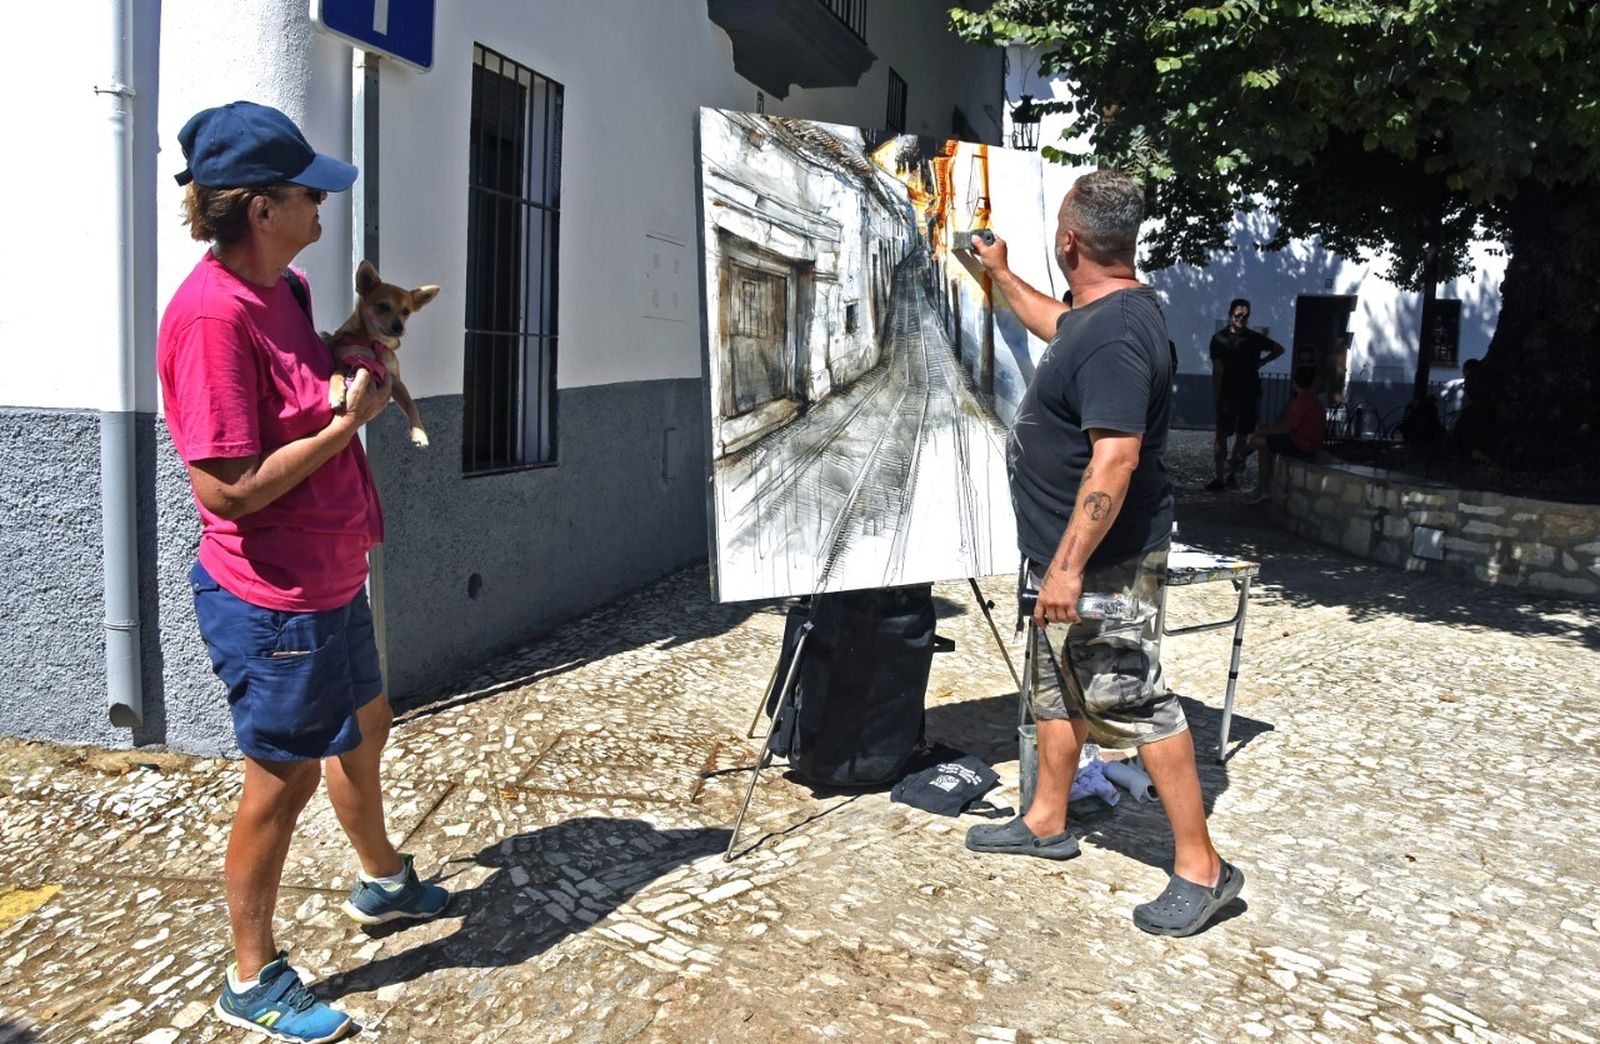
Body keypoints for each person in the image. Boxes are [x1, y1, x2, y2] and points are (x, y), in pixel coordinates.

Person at [157, 101, 448, 1042]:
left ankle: (381, 880)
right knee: (276, 783)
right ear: (258, 208)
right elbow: (228, 491)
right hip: (272, 599)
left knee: (366, 724)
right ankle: (251, 977)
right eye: (307, 192)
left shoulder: (282, 289)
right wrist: (348, 424)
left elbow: (306, 374)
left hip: (329, 575)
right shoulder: (209, 321)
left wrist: (353, 370)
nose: (324, 206)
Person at [964, 171, 1243, 937]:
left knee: (1129, 696)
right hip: (1068, 554)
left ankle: (1204, 870)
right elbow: (1054, 321)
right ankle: (1046, 819)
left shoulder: (1119, 335)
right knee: (1056, 686)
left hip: (1101, 561)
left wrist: (1068, 564)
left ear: (1071, 240)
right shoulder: (1099, 315)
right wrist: (999, 273)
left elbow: (1114, 461)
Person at [1207, 298, 1284, 490]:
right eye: (1239, 315)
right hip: (1228, 393)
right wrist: (1217, 395)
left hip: (1250, 392)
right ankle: (1219, 476)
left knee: (1242, 435)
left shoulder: (1254, 338)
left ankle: (1232, 475)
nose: (1242, 318)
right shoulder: (1219, 339)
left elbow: (1279, 349)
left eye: (1246, 316)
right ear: (1230, 315)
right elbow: (1218, 369)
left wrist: (1263, 361)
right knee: (1221, 435)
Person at [1246, 364, 1323, 505]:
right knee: (1263, 442)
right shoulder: (1313, 400)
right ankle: (1261, 484)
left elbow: (1286, 427)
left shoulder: (1300, 401)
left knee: (1259, 441)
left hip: (1300, 444)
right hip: (1307, 442)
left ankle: (1259, 482)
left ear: (1294, 382)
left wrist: (1262, 431)